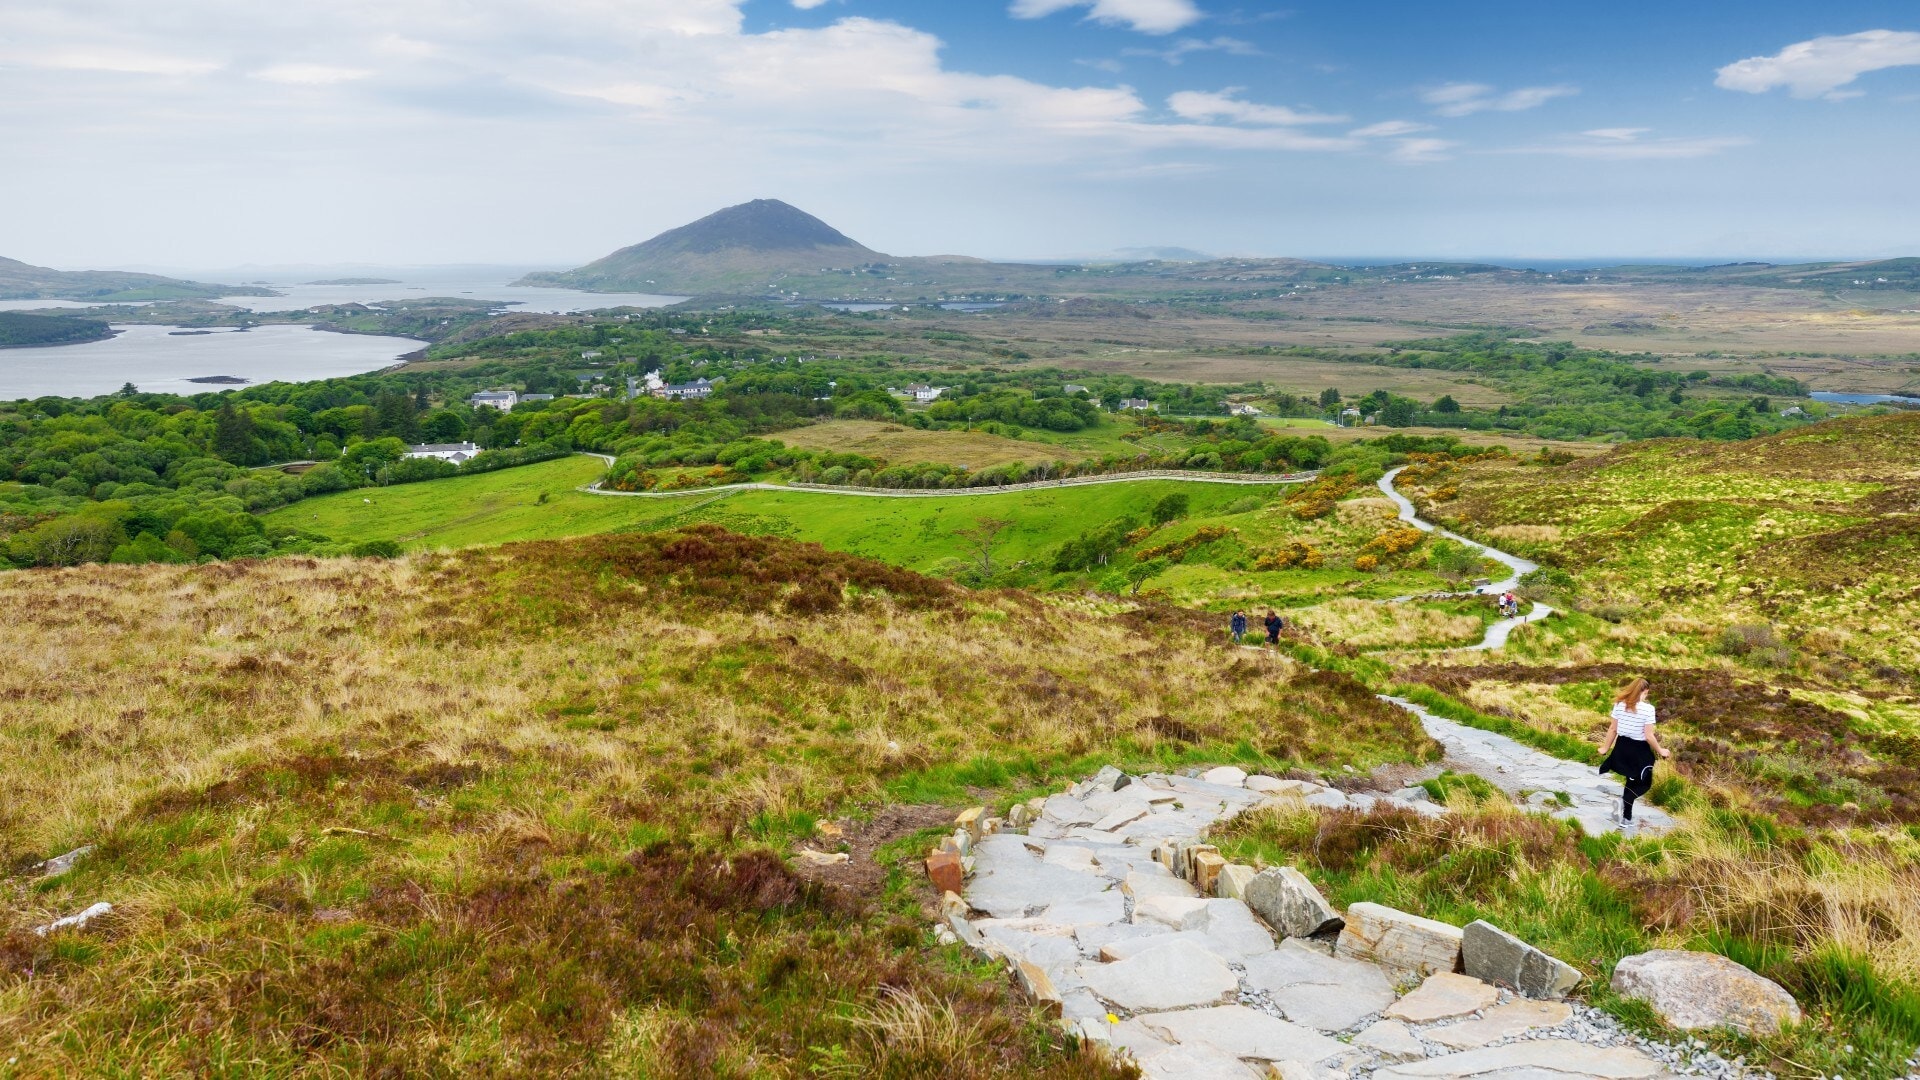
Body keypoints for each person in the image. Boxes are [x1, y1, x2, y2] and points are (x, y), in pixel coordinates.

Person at [1597, 676, 1670, 833]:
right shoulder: (1648, 709)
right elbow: (1649, 736)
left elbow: (1612, 729)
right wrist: (1661, 751)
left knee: (1631, 781)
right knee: (1644, 783)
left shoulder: (1619, 704)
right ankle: (1626, 801)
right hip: (1639, 751)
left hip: (1622, 748)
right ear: (1645, 692)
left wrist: (1605, 748)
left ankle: (1626, 819)